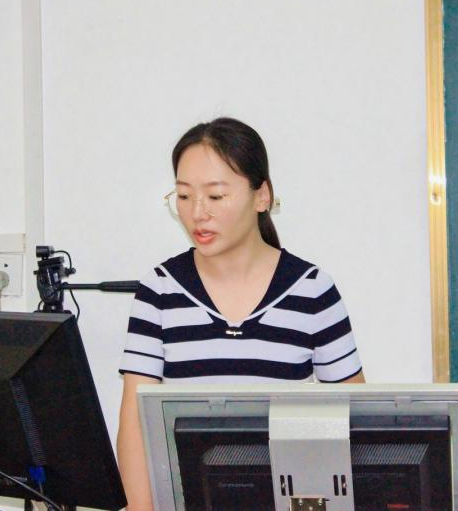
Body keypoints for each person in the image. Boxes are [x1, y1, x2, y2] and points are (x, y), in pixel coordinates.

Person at [116, 117, 364, 510]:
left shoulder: (312, 290)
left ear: (261, 196)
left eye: (215, 197)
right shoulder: (160, 290)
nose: (197, 213)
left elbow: (354, 420)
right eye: (184, 196)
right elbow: (134, 422)